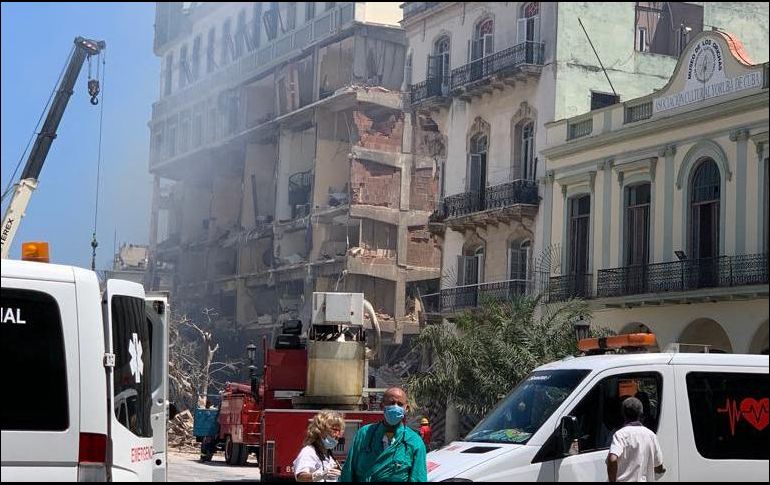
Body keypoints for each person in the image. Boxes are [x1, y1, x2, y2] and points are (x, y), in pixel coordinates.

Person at [340, 387, 427, 482]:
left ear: (406, 409)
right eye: (391, 403)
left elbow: (418, 478)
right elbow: (348, 473)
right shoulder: (365, 434)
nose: (395, 407)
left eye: (400, 404)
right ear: (382, 406)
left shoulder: (414, 442)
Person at [606, 397, 666, 482]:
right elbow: (659, 467)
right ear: (641, 414)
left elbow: (612, 459)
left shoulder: (620, 435)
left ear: (623, 414)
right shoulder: (651, 435)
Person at [294, 410, 345, 482]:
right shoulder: (309, 452)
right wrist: (320, 475)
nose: (338, 435)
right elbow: (301, 477)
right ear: (320, 430)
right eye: (335, 430)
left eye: (340, 431)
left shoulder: (329, 455)